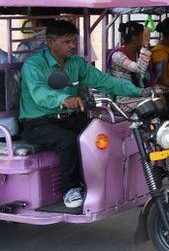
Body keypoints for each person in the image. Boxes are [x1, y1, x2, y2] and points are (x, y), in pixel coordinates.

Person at [19, 20, 147, 208]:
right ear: (50, 42)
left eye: (73, 41)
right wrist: (63, 100)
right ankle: (70, 189)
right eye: (66, 42)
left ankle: (109, 181)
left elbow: (104, 81)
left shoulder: (76, 63)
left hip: (70, 118)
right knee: (68, 140)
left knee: (105, 131)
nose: (72, 46)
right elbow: (39, 93)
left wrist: (139, 91)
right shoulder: (34, 65)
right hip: (38, 122)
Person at [108, 21, 152, 86]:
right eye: (143, 35)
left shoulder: (137, 53)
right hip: (121, 94)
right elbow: (139, 69)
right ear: (135, 38)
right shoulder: (118, 56)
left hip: (136, 92)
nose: (147, 38)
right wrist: (145, 46)